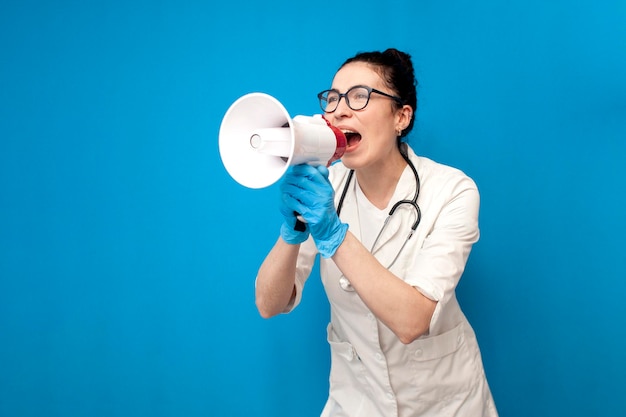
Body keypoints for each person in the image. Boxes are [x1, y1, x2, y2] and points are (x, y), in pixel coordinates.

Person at [255, 48, 498, 417]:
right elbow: (268, 304)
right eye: (333, 98)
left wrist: (333, 234)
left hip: (445, 404)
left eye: (359, 96)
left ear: (402, 116)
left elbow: (412, 321)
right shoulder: (327, 186)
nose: (339, 110)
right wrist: (292, 232)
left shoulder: (453, 191)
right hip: (356, 401)